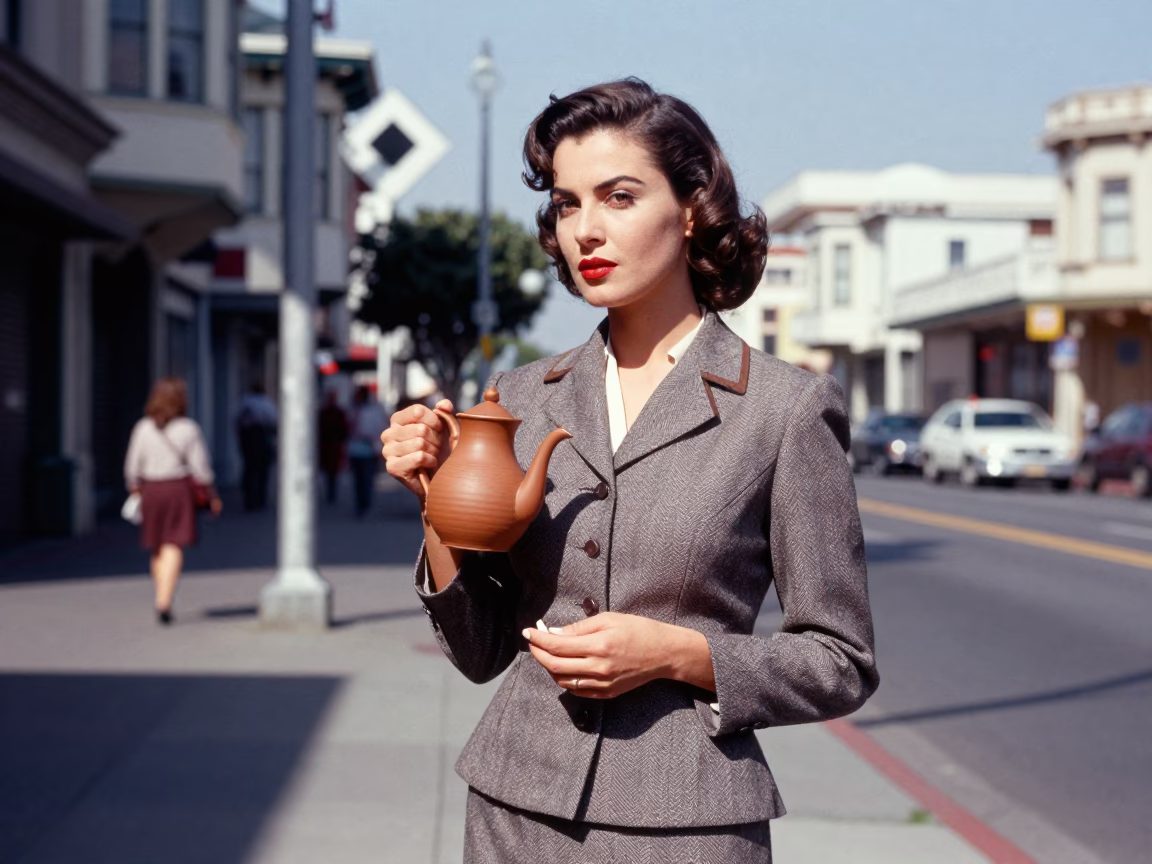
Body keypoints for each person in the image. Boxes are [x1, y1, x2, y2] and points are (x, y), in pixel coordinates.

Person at [381, 79, 878, 862]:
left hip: (689, 824)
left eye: (618, 196)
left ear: (688, 209)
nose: (585, 229)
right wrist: (439, 509)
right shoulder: (519, 397)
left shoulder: (785, 409)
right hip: (514, 812)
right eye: (568, 203)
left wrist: (677, 654)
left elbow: (839, 660)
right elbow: (480, 654)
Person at [124, 377, 221, 625]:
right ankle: (164, 601)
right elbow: (201, 467)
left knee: (157, 545)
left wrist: (134, 488)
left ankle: (161, 594)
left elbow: (133, 465)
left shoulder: (143, 427)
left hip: (151, 490)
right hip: (178, 490)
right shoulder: (188, 429)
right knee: (174, 545)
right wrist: (211, 494)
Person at [236, 382, 278, 511]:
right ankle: (260, 498)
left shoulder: (245, 402)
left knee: (249, 469)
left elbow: (236, 420)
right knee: (262, 471)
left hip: (248, 438)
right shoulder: (266, 403)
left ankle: (249, 499)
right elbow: (274, 419)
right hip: (262, 438)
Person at [347, 385, 388, 517]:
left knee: (367, 479)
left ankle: (365, 503)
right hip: (355, 450)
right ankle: (360, 504)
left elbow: (381, 427)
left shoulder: (375, 410)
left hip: (370, 450)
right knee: (358, 480)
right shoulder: (353, 409)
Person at [318, 390, 349, 504]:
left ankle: (332, 492)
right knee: (329, 472)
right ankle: (330, 492)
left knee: (333, 472)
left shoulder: (338, 413)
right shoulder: (325, 413)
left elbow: (344, 430)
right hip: (327, 446)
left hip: (334, 446)